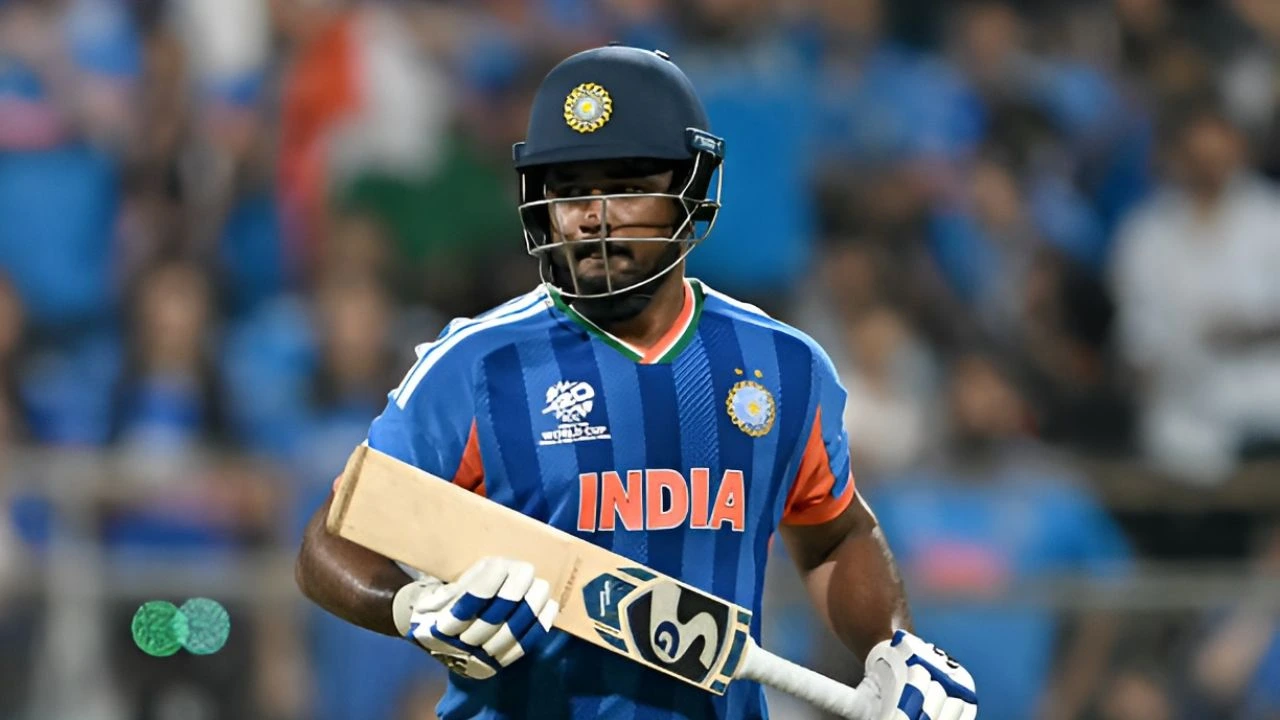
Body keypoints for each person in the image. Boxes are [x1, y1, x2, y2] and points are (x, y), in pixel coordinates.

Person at [295, 44, 977, 720]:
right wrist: (412, 606)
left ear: (690, 187)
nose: (593, 214)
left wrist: (893, 648)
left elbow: (834, 535)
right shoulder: (475, 366)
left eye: (624, 186)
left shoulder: (783, 365)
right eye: (569, 191)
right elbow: (331, 541)